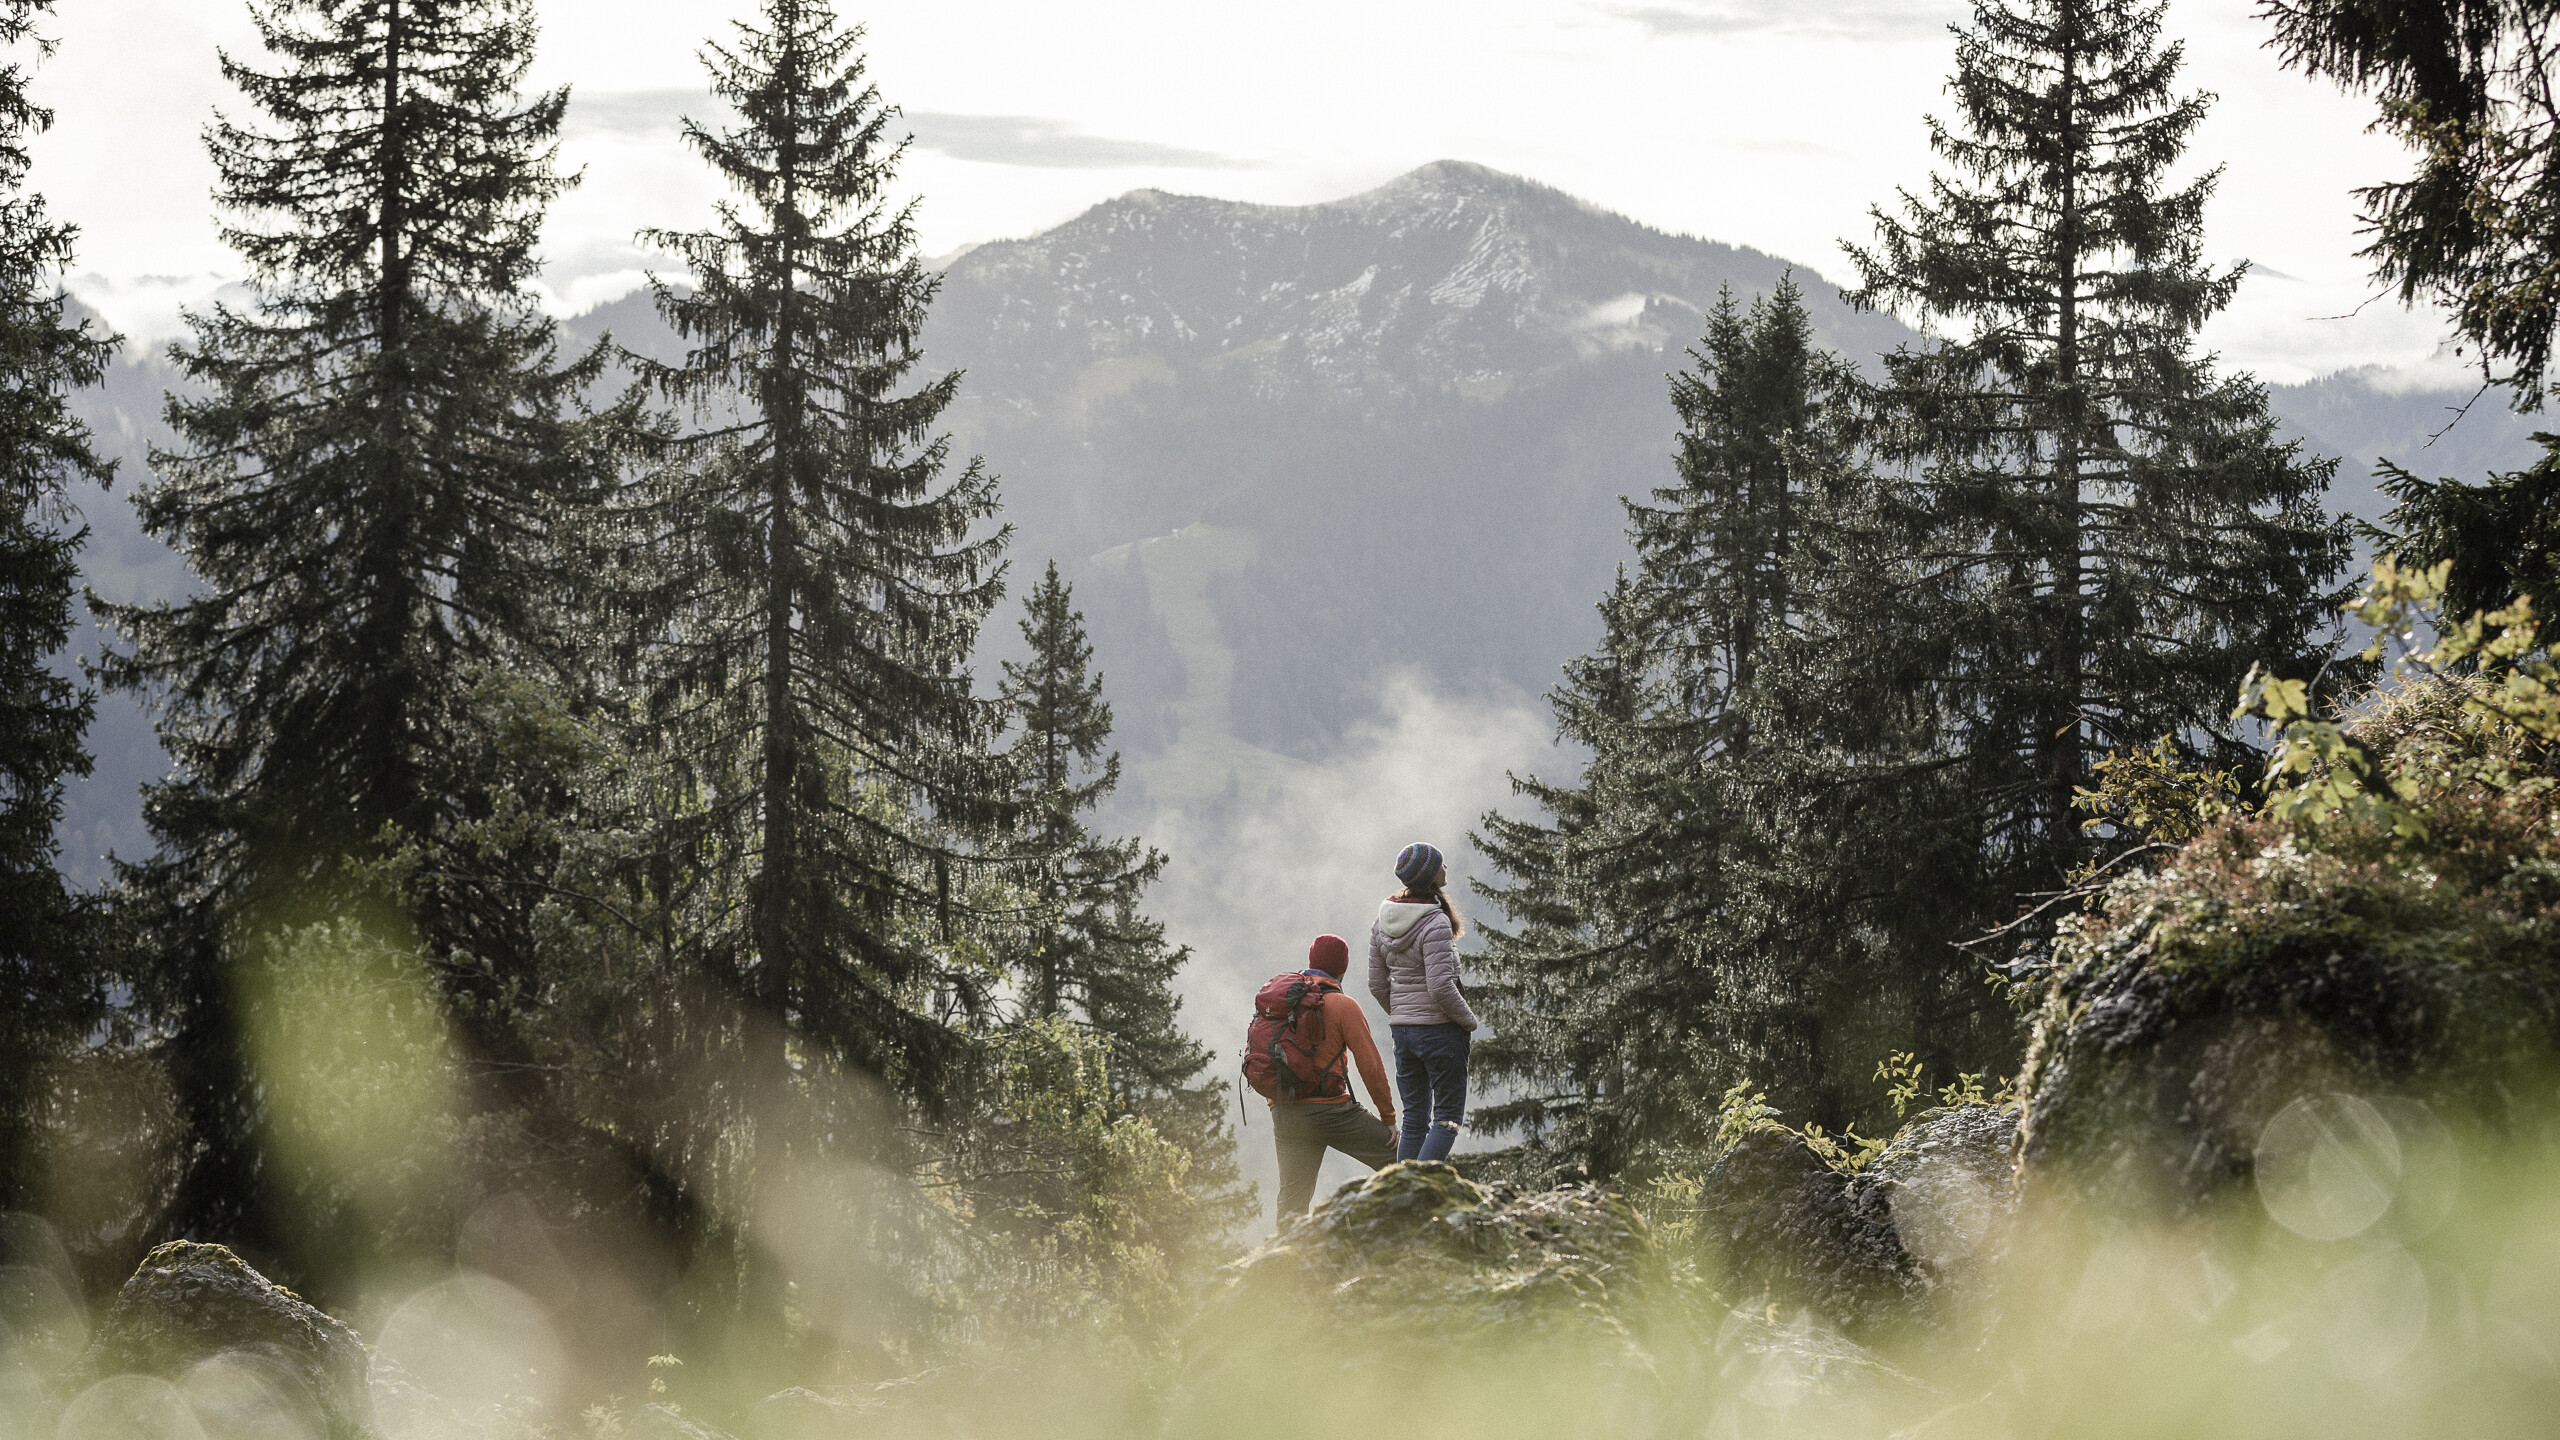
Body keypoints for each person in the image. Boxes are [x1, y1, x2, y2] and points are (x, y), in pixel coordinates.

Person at [1265, 934, 1398, 1219]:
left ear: (1311, 962)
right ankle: (1411, 1237)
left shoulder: (1281, 1000)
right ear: (1342, 969)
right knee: (1401, 1161)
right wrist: (1388, 1120)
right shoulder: (1343, 1005)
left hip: (1286, 1113)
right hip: (1333, 1112)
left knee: (1291, 1204)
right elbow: (1371, 1067)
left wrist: (1278, 1106)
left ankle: (1281, 1263)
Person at [1369, 841, 1479, 1163]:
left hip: (1403, 1033)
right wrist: (1468, 1021)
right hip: (1440, 1032)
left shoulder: (1381, 922)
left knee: (1414, 1119)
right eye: (1441, 865)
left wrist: (1402, 1014)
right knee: (1447, 1120)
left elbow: (1376, 985)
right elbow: (1441, 987)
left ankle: (1402, 1193)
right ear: (1431, 876)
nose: (1446, 869)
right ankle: (1419, 1192)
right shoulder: (1435, 922)